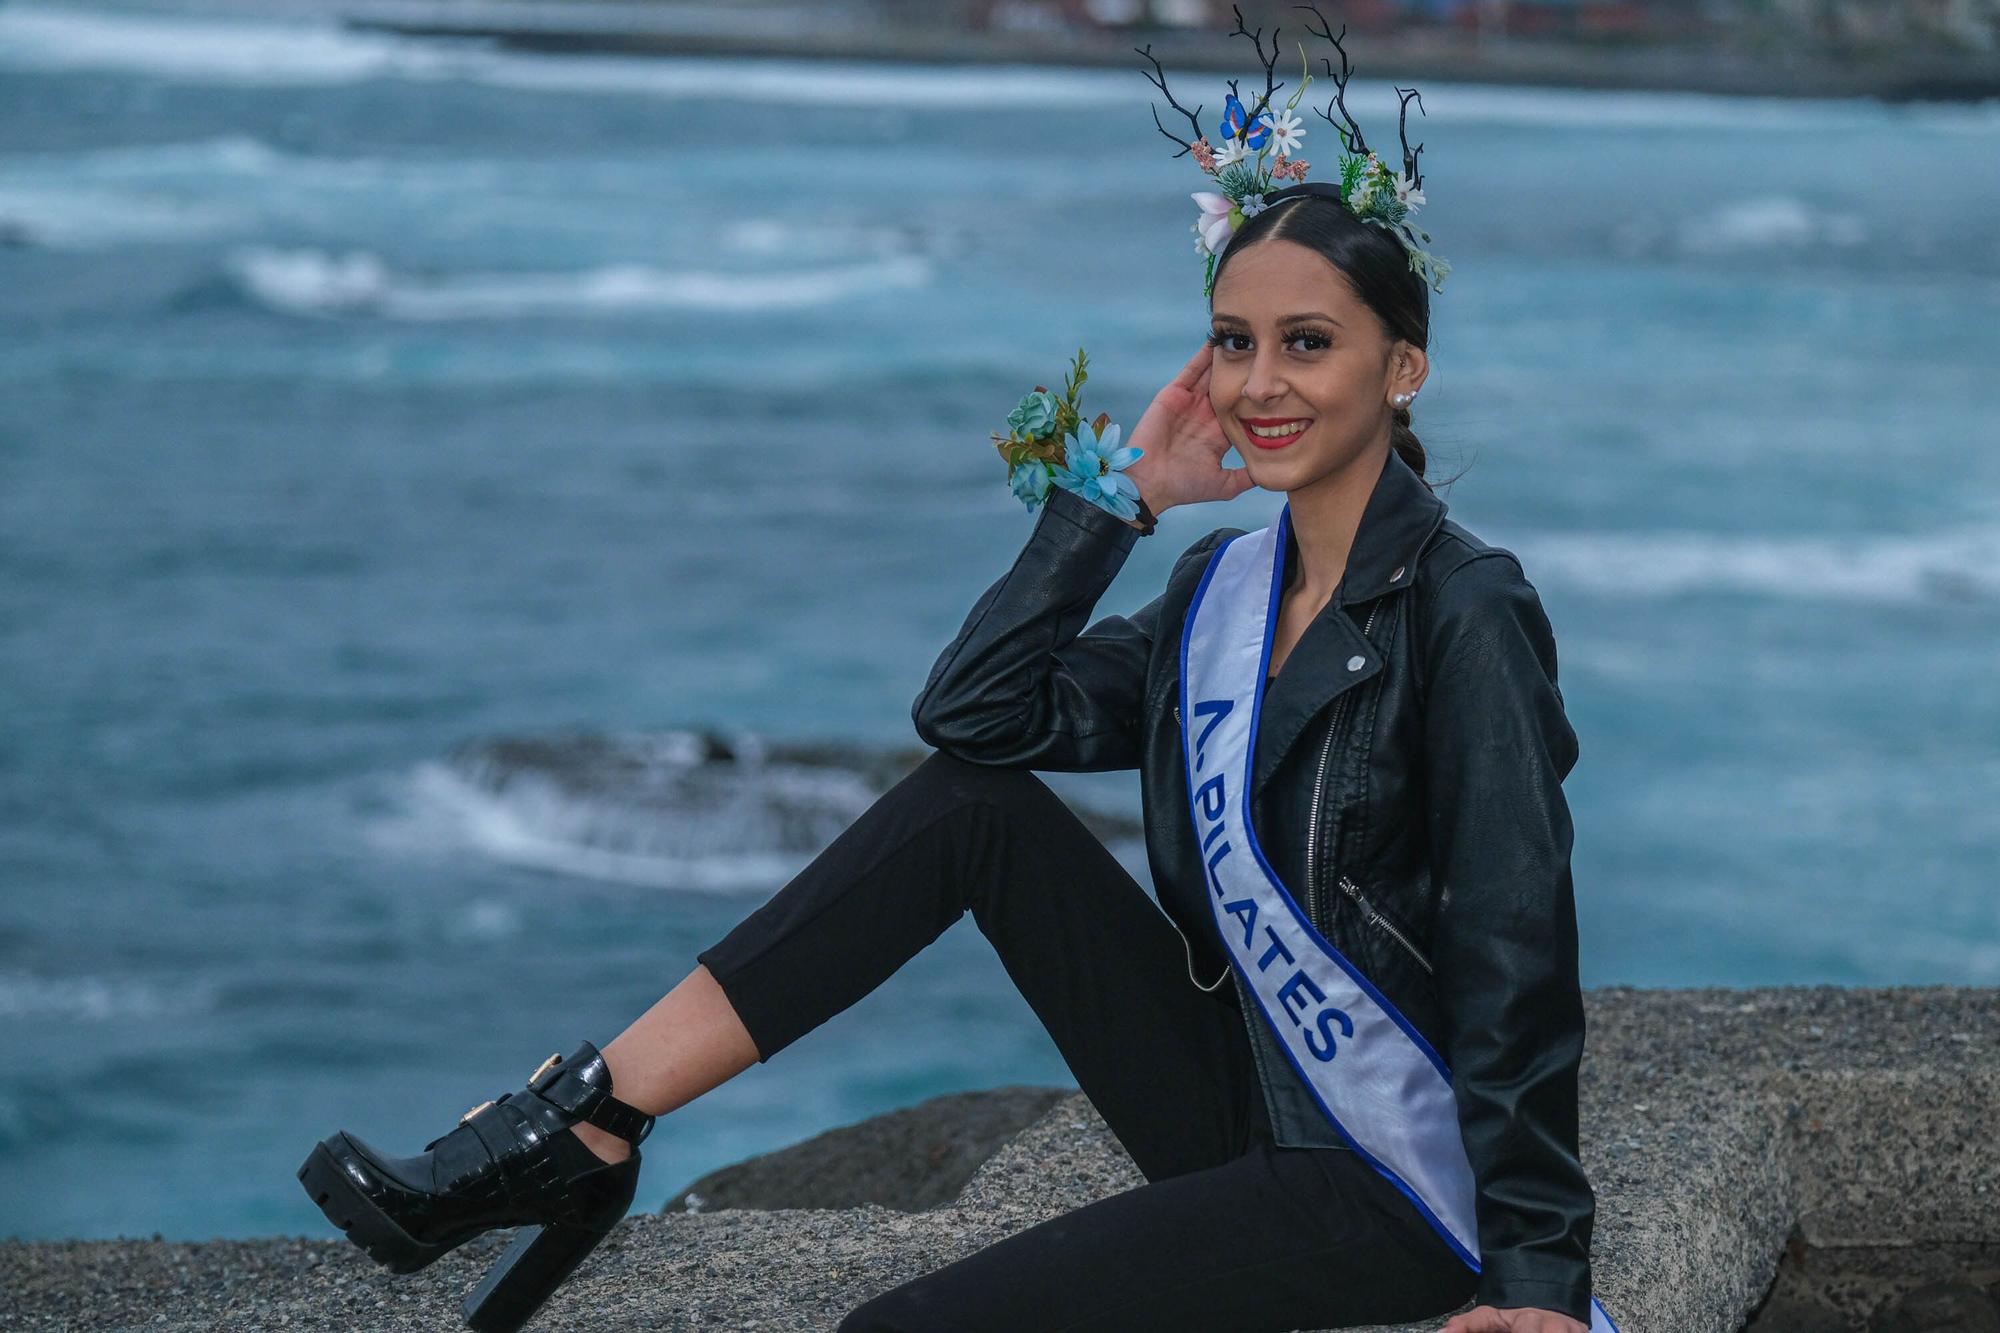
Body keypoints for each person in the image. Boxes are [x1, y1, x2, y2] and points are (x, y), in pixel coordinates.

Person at [298, 22, 1606, 1330]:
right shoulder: (1223, 594)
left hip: (1397, 1183)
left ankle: (567, 1142)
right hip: (1246, 1102)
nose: (1260, 382)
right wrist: (1118, 500)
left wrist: (1538, 1280)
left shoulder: (1464, 609)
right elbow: (977, 717)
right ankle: (586, 1122)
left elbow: (1515, 947)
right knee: (969, 808)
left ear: (1404, 367)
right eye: (1232, 341)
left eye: (1307, 343)